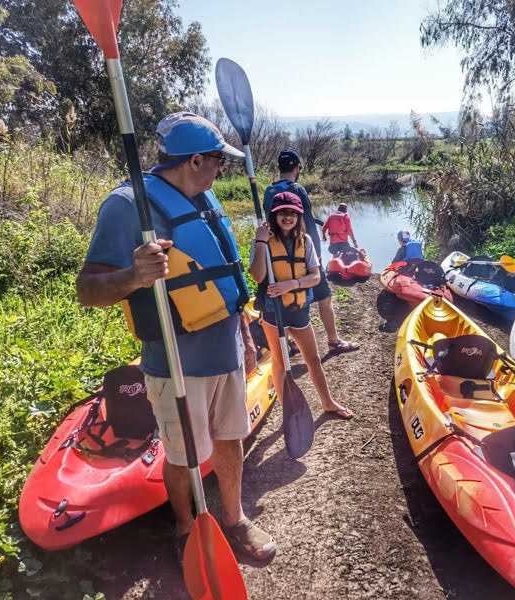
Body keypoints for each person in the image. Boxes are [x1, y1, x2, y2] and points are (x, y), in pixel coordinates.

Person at [76, 112, 276, 564]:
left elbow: (226, 285)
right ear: (196, 160)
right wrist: (133, 275)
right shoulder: (129, 205)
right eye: (217, 162)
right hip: (175, 362)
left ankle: (234, 518)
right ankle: (186, 529)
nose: (221, 169)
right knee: (183, 453)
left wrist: (244, 334)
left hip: (225, 350)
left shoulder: (204, 200)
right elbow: (87, 290)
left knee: (230, 440)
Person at [249, 191, 353, 420]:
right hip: (273, 313)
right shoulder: (263, 242)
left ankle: (327, 402)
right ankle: (289, 411)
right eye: (283, 213)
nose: (288, 217)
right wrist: (260, 242)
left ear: (299, 216)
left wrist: (290, 285)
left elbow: (315, 277)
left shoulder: (304, 241)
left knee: (313, 358)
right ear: (274, 215)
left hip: (299, 311)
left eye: (293, 213)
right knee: (280, 361)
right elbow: (257, 276)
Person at [264, 149, 359, 354]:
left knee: (284, 296)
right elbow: (307, 223)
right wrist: (315, 254)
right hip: (301, 252)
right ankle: (333, 340)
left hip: (278, 254)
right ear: (297, 168)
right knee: (324, 296)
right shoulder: (298, 190)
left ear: (279, 168)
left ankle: (288, 343)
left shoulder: (268, 192)